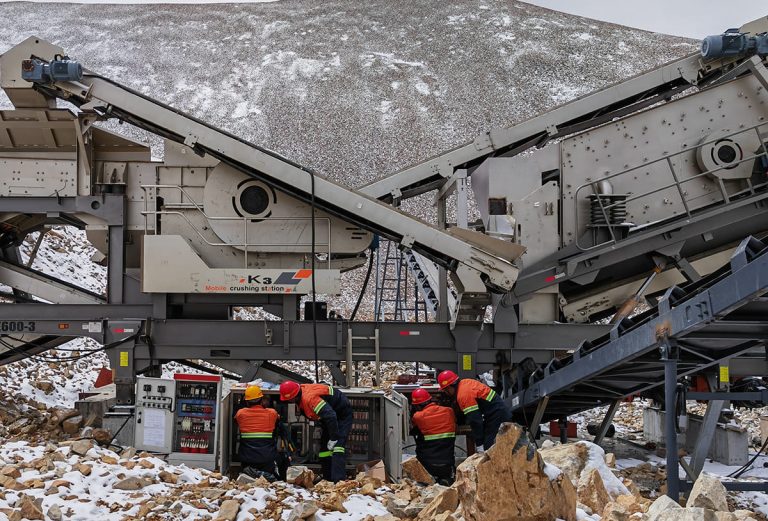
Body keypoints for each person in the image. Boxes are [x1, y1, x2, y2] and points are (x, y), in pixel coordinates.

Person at [280, 381, 352, 482]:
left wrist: (334, 438)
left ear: (294, 396)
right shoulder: (301, 392)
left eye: (289, 400)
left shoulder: (310, 398)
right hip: (331, 416)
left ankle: (338, 482)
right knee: (324, 451)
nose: (288, 402)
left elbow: (331, 415)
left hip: (342, 414)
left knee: (337, 448)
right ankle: (328, 480)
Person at [438, 370, 511, 452]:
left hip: (497, 414)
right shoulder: (464, 383)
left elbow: (475, 420)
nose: (446, 393)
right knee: (491, 444)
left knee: (489, 447)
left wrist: (479, 444)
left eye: (445, 390)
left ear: (449, 387)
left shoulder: (463, 395)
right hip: (496, 412)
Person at [410, 387, 457, 485]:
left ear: (417, 406)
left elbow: (413, 425)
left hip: (427, 465)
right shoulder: (449, 411)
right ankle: (445, 479)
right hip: (447, 464)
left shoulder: (418, 416)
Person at [234, 385, 281, 481]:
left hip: (247, 458)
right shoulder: (272, 413)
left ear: (246, 401)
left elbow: (235, 418)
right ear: (261, 400)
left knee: (248, 484)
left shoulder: (240, 413)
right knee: (267, 484)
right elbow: (278, 419)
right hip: (267, 458)